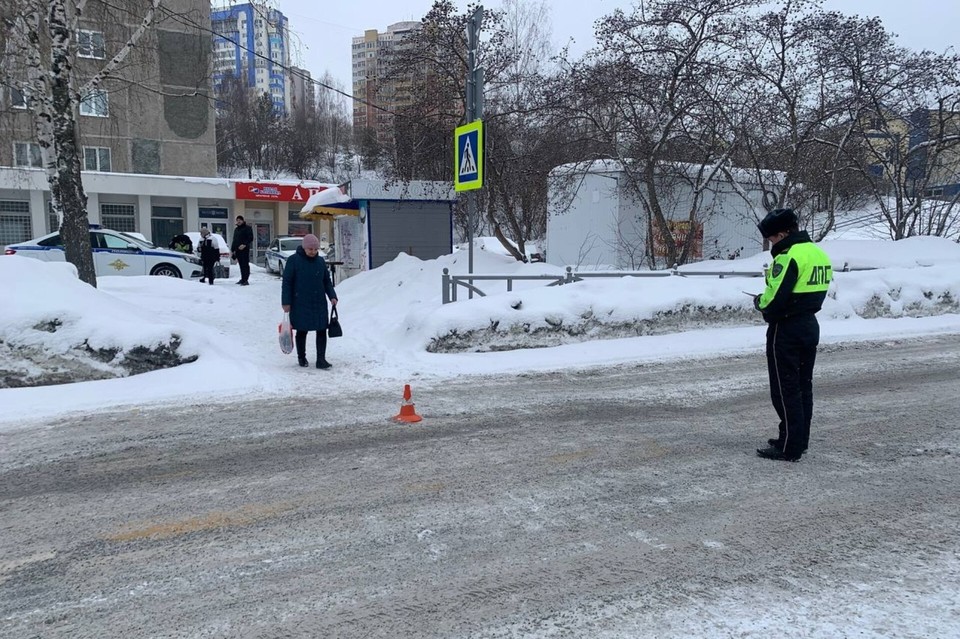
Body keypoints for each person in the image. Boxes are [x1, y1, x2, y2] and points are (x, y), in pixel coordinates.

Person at [752, 208, 833, 462]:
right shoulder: (819, 254)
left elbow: (774, 299)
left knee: (784, 389)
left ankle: (788, 446)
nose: (772, 244)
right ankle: (799, 439)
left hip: (785, 329)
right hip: (809, 324)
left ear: (784, 233)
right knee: (802, 386)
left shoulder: (789, 257)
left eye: (773, 239)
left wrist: (759, 303)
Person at [281, 234, 338, 369]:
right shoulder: (293, 260)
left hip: (318, 301)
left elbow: (326, 281)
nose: (313, 252)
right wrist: (286, 302)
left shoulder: (320, 262)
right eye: (310, 249)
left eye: (315, 249)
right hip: (300, 301)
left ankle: (321, 359)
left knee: (322, 330)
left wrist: (332, 296)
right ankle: (302, 357)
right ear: (304, 248)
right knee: (302, 330)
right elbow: (287, 282)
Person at [230, 215, 254, 285]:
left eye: (240, 220)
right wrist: (232, 250)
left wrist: (244, 244)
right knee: (241, 265)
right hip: (237, 250)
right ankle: (242, 278)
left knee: (245, 265)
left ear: (243, 221)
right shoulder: (236, 229)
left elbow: (250, 238)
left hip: (244, 249)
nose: (238, 221)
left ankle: (246, 279)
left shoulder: (247, 228)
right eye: (237, 220)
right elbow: (234, 240)